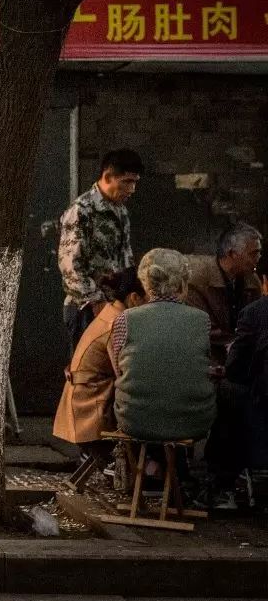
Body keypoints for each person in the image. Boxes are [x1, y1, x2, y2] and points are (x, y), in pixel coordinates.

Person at [108, 248, 216, 443]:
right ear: (183, 283)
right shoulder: (202, 320)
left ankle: (151, 466)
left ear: (145, 282)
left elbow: (119, 370)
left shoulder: (125, 319)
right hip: (193, 422)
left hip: (134, 421)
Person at [53, 266, 146, 465]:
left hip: (81, 407)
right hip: (90, 415)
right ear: (135, 298)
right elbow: (124, 374)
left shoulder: (109, 314)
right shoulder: (118, 322)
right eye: (148, 299)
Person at [58, 149, 143, 350]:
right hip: (86, 308)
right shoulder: (82, 210)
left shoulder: (120, 210)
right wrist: (97, 303)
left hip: (115, 306)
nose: (132, 190)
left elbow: (125, 258)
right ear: (107, 177)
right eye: (127, 182)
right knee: (87, 375)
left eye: (135, 183)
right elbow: (70, 266)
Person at [205, 290, 268, 510]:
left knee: (229, 392)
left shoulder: (255, 312)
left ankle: (224, 484)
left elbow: (235, 368)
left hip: (260, 402)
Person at [185, 222, 262, 358]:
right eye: (253, 253)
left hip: (241, 357)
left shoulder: (253, 281)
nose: (258, 258)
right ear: (232, 254)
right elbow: (200, 326)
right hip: (205, 358)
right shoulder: (198, 279)